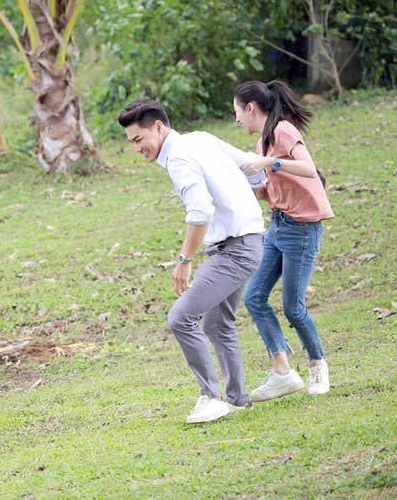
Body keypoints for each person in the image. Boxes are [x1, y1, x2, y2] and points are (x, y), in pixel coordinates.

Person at [118, 99, 265, 424]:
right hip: (248, 240)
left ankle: (210, 397)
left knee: (181, 318)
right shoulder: (199, 138)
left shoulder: (180, 157)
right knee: (216, 323)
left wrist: (184, 261)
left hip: (235, 248)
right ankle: (238, 399)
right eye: (131, 143)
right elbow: (250, 163)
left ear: (158, 127)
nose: (136, 148)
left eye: (138, 140)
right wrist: (253, 198)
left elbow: (200, 212)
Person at [233, 80, 334, 401]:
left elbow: (308, 169)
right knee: (255, 298)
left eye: (236, 111)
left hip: (302, 229)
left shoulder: (283, 132)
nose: (236, 119)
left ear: (250, 109)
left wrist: (268, 163)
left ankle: (318, 364)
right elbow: (270, 189)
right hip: (277, 226)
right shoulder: (263, 141)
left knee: (293, 307)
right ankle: (282, 372)